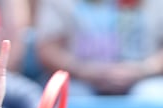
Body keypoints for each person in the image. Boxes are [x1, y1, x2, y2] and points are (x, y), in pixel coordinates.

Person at [34, 0, 163, 98]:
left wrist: (142, 69)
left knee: (151, 96)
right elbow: (48, 49)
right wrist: (85, 71)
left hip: (145, 79)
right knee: (72, 98)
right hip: (78, 79)